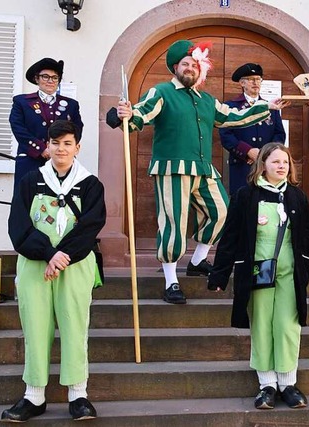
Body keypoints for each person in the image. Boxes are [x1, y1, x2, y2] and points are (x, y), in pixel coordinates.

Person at [107, 40, 288, 304]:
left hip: (203, 169)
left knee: (223, 212)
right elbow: (140, 115)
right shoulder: (161, 92)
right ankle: (171, 281)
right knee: (173, 223)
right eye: (185, 64)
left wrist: (267, 107)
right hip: (172, 168)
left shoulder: (206, 100)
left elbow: (232, 117)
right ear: (175, 67)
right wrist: (125, 114)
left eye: (194, 64)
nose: (190, 68)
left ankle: (197, 260)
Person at [208, 142, 309, 410]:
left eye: (285, 162)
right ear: (262, 164)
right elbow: (230, 236)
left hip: (290, 272)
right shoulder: (245, 196)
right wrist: (219, 274)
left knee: (288, 326)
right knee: (262, 325)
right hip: (257, 272)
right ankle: (266, 384)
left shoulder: (297, 197)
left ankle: (288, 383)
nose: (281, 167)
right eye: (276, 161)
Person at [3, 120, 106, 422]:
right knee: (35, 326)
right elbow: (18, 224)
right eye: (55, 143)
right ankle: (33, 395)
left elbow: (91, 226)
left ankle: (79, 394)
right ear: (47, 146)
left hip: (76, 264)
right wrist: (48, 253)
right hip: (35, 263)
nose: (61, 148)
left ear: (77, 147)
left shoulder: (90, 184)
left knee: (75, 325)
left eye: (67, 143)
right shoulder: (30, 181)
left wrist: (63, 256)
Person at [9, 57, 83, 192]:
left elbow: (77, 130)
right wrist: (41, 149)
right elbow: (18, 128)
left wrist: (61, 150)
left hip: (60, 162)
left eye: (55, 78)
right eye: (45, 77)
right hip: (30, 162)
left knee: (59, 203)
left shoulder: (71, 105)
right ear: (37, 79)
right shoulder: (22, 102)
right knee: (27, 202)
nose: (50, 81)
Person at [219, 63, 286, 195]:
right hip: (242, 165)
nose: (255, 82)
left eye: (258, 79)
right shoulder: (231, 106)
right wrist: (247, 151)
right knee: (243, 204)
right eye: (251, 79)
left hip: (267, 165)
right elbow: (226, 134)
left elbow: (279, 134)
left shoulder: (270, 106)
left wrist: (266, 154)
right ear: (242, 83)